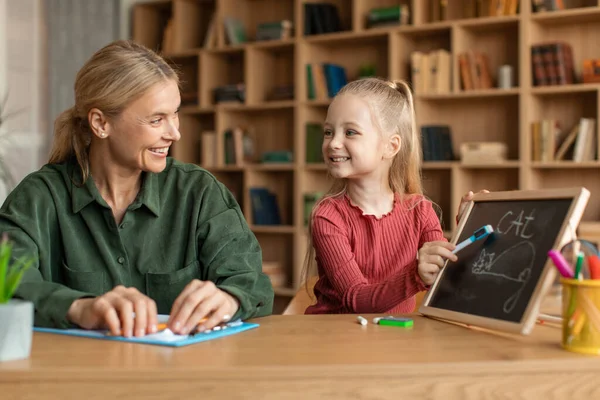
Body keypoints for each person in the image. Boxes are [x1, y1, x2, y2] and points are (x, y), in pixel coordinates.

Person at [0, 40, 273, 337]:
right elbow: (7, 284)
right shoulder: (38, 198)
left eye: (175, 114)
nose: (175, 133)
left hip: (181, 377)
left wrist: (229, 298)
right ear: (101, 123)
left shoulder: (200, 193)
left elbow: (253, 284)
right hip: (73, 377)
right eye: (156, 119)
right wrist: (80, 308)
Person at [303, 77, 486, 314]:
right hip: (339, 341)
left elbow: (448, 281)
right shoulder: (328, 216)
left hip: (392, 339)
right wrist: (416, 273)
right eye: (328, 132)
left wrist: (469, 229)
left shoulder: (420, 210)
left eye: (350, 132)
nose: (333, 143)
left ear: (391, 146)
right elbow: (357, 300)